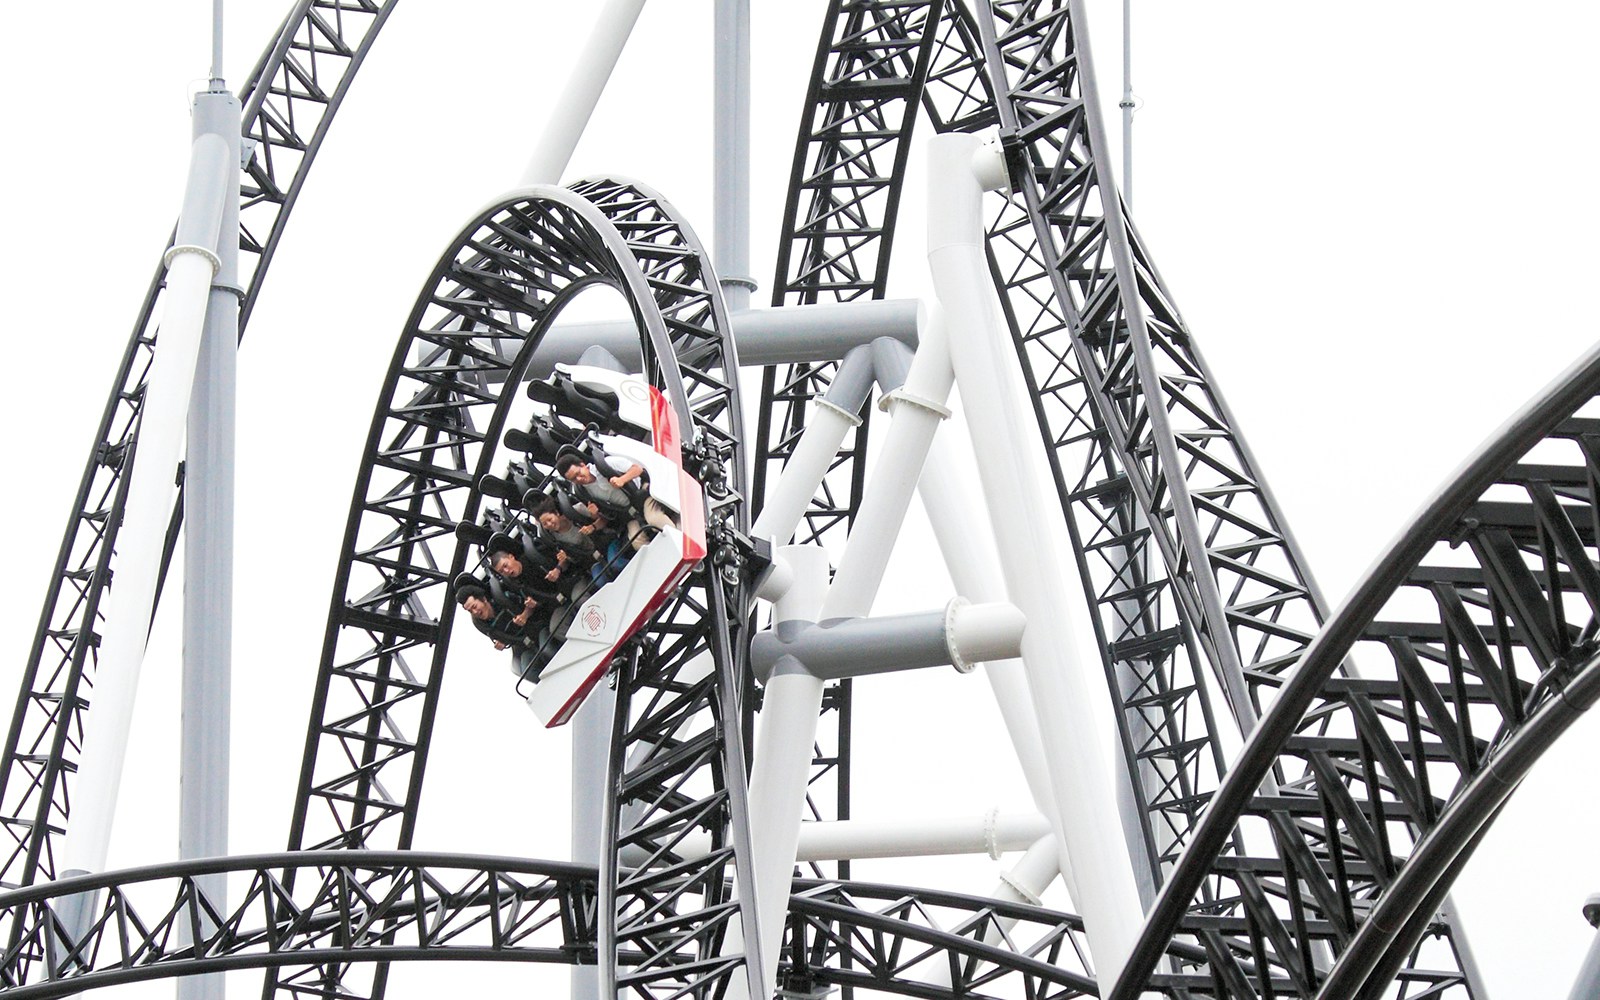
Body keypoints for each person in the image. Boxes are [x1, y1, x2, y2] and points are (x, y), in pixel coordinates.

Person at [555, 449, 675, 552]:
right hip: (629, 513)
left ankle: (680, 542)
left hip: (643, 497)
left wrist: (622, 479)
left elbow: (637, 469)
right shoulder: (584, 493)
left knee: (654, 519)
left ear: (582, 465)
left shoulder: (604, 464)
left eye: (578, 473)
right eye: (574, 479)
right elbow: (606, 517)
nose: (579, 478)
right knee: (636, 541)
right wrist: (594, 518)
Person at [454, 576, 538, 651]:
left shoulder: (504, 598)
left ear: (483, 599)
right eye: (470, 611)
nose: (475, 612)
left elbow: (530, 604)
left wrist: (524, 615)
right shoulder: (483, 624)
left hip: (536, 627)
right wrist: (501, 644)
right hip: (523, 646)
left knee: (546, 651)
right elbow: (500, 638)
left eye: (474, 606)